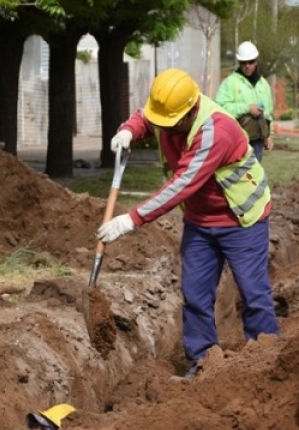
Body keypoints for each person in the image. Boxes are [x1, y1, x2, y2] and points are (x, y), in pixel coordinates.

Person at [100, 68, 280, 379]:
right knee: (195, 295)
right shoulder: (169, 110)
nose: (163, 129)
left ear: (190, 109)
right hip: (200, 221)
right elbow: (146, 116)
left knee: (254, 294)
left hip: (242, 220)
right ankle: (202, 363)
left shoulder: (214, 131)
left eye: (170, 124)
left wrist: (131, 219)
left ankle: (267, 365)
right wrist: (129, 130)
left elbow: (181, 184)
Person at [216, 41, 274, 161]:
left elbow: (268, 113)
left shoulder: (263, 85)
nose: (247, 65)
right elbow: (220, 109)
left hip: (257, 142)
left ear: (256, 61)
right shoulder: (230, 83)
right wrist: (246, 108)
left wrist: (269, 135)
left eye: (251, 62)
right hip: (236, 141)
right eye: (243, 62)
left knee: (254, 177)